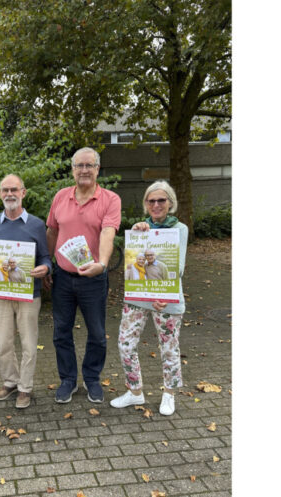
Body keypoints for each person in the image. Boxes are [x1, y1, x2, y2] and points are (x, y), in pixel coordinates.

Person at [45, 147, 121, 403]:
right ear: (73, 169)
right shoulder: (60, 197)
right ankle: (68, 380)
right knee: (61, 332)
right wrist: (48, 263)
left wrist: (102, 263)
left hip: (93, 278)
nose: (84, 170)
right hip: (63, 278)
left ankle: (91, 378)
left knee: (97, 334)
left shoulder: (110, 199)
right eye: (80, 165)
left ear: (98, 169)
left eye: (90, 165)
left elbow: (108, 232)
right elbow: (51, 232)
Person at [110, 180, 188, 415]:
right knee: (125, 344)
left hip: (168, 299)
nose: (156, 204)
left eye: (161, 200)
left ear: (170, 203)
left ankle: (169, 395)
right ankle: (135, 392)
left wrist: (163, 293)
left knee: (169, 349)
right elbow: (131, 265)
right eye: (151, 200)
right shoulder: (139, 230)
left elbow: (179, 267)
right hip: (138, 298)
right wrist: (136, 233)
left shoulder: (180, 229)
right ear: (146, 203)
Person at [0, 174, 52, 408]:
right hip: (0, 292)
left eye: (14, 189)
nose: (9, 194)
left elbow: (44, 256)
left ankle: (25, 388)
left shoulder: (36, 224)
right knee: (4, 342)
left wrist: (45, 268)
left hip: (28, 294)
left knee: (29, 343)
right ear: (0, 194)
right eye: (5, 190)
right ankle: (10, 382)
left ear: (23, 192)